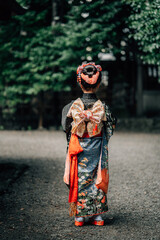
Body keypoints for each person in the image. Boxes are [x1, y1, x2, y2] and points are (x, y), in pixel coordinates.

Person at [61, 62, 117, 226]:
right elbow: (111, 126)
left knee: (79, 177)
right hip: (97, 146)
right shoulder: (103, 107)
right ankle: (97, 216)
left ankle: (79, 216)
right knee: (97, 176)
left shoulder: (71, 107)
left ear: (79, 82)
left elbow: (65, 127)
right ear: (99, 84)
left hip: (78, 147)